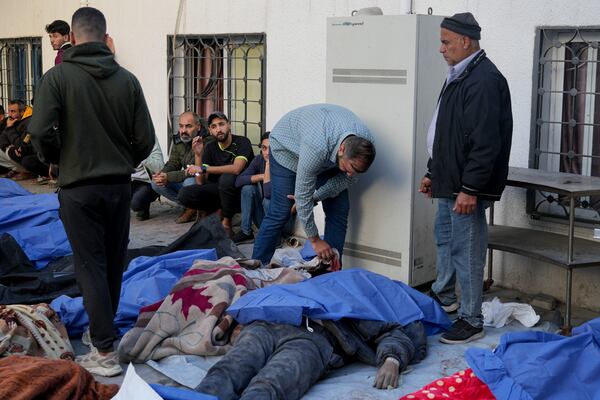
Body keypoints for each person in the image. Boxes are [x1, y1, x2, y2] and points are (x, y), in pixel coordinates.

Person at [30, 7, 155, 376]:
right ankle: (101, 333)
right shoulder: (127, 80)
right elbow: (146, 140)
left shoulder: (58, 77)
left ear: (72, 34)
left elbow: (39, 131)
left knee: (90, 265)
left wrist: (57, 158)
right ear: (104, 36)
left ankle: (103, 350)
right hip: (119, 185)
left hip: (78, 187)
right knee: (113, 262)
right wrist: (120, 159)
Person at [419, 12, 513, 344]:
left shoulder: (484, 80)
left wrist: (470, 189)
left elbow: (486, 142)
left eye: (445, 42)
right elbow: (448, 131)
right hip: (449, 181)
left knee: (467, 249)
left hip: (465, 187)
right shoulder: (460, 74)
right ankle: (445, 296)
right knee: (445, 240)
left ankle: (471, 320)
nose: (441, 49)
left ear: (465, 41)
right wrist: (434, 171)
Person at [251, 104, 376, 265]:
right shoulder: (316, 148)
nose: (352, 174)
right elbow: (302, 197)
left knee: (339, 209)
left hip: (327, 152)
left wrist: (315, 197)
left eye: (359, 171)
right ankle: (255, 267)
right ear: (342, 149)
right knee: (281, 211)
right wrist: (315, 240)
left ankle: (331, 269)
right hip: (287, 149)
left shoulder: (365, 144)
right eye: (351, 168)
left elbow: (344, 180)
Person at [196, 318, 426, 399]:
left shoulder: (360, 303)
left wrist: (391, 359)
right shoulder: (308, 282)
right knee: (225, 373)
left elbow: (393, 332)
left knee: (269, 386)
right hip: (267, 325)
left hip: (314, 337)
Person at [181, 111, 254, 234]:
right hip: (219, 191)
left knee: (226, 178)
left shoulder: (242, 142)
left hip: (238, 192)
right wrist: (198, 155)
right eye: (214, 127)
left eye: (221, 124)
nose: (218, 129)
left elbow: (236, 169)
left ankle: (227, 222)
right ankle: (213, 213)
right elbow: (200, 181)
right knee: (185, 193)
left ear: (229, 125)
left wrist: (204, 169)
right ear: (210, 130)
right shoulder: (210, 147)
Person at [234, 132, 295, 244]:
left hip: (284, 222)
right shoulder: (259, 160)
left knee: (268, 201)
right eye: (264, 148)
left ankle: (274, 239)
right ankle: (246, 232)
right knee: (247, 189)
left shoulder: (285, 164)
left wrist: (268, 166)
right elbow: (238, 181)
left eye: (271, 148)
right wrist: (262, 176)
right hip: (266, 219)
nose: (267, 152)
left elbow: (268, 193)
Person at [151, 111, 207, 223]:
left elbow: (194, 171)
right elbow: (173, 163)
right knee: (155, 183)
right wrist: (161, 174)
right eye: (181, 126)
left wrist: (168, 176)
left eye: (188, 126)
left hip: (203, 181)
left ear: (198, 127)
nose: (183, 131)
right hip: (188, 177)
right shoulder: (179, 140)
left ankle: (194, 207)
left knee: (189, 183)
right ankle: (191, 206)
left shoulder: (206, 141)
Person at [131, 137, 164, 221]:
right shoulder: (117, 136)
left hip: (146, 181)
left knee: (136, 203)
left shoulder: (149, 138)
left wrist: (141, 154)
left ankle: (144, 206)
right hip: (127, 181)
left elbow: (159, 167)